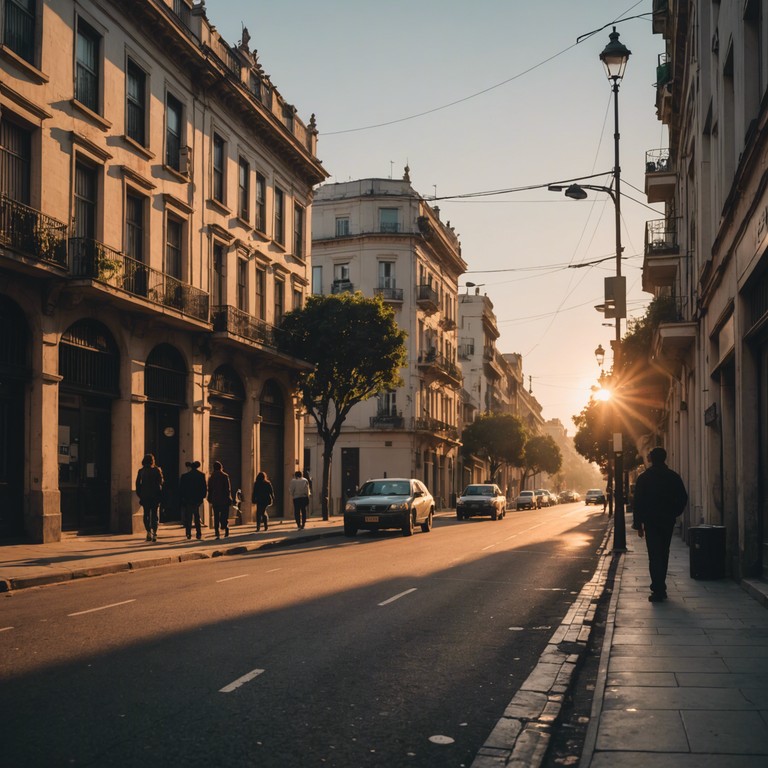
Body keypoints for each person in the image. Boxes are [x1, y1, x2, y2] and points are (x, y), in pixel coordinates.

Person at [632, 447, 688, 602]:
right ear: (664, 458)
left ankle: (657, 589)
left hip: (651, 522)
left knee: (654, 554)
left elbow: (638, 502)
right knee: (664, 553)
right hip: (667, 521)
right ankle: (660, 586)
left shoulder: (644, 478)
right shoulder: (673, 477)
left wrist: (638, 524)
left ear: (651, 459)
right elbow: (683, 497)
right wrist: (674, 513)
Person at [136, 453, 164, 542]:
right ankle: (155, 534)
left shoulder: (141, 471)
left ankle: (148, 532)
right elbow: (161, 482)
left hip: (145, 496)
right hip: (155, 496)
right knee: (155, 515)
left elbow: (137, 484)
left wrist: (140, 494)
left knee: (146, 514)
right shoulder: (157, 470)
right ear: (153, 461)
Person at [179, 461, 207, 540]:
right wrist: (202, 497)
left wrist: (183, 498)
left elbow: (181, 489)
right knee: (197, 516)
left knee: (189, 517)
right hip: (197, 499)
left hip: (188, 499)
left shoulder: (185, 476)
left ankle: (188, 533)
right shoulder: (201, 475)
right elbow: (204, 488)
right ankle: (198, 533)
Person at [207, 460, 233, 539]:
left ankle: (217, 533)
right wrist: (229, 497)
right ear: (221, 467)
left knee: (216, 516)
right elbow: (228, 489)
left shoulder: (211, 477)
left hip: (215, 499)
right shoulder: (225, 476)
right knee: (224, 515)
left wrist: (210, 498)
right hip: (224, 499)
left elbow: (210, 489)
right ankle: (225, 527)